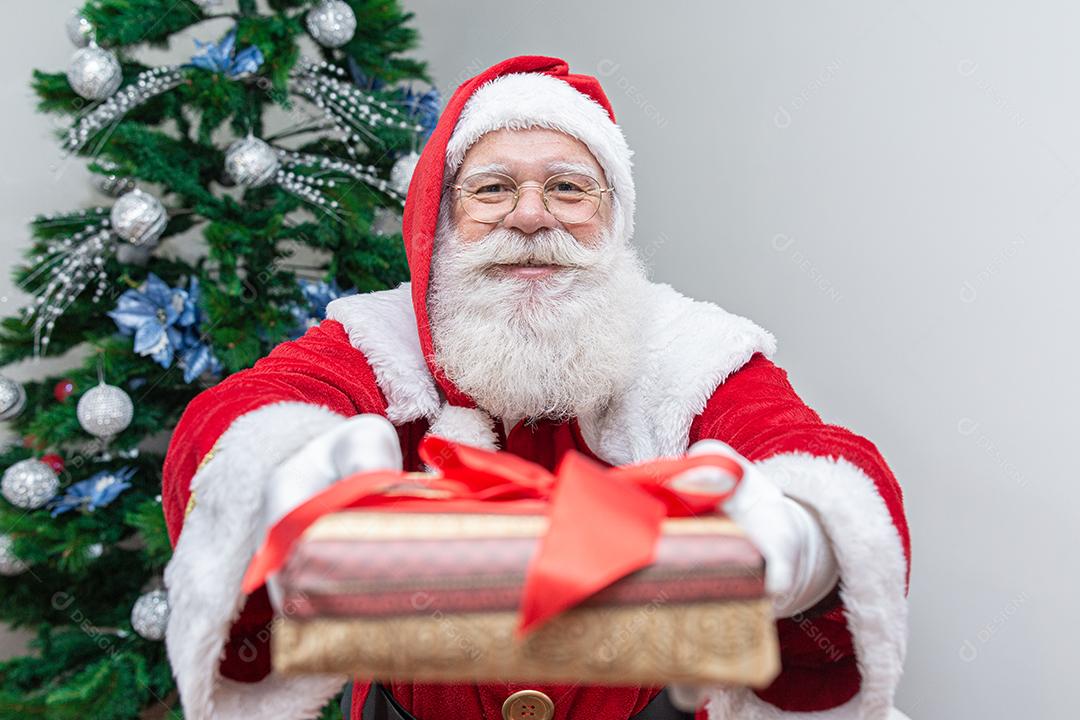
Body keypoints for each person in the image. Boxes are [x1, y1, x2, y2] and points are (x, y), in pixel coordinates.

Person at [160, 55, 911, 720]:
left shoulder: (690, 349)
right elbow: (247, 411)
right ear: (443, 221)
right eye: (490, 189)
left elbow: (810, 452)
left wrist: (792, 540)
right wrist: (293, 476)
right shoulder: (379, 340)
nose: (529, 215)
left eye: (568, 188)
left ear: (612, 220)